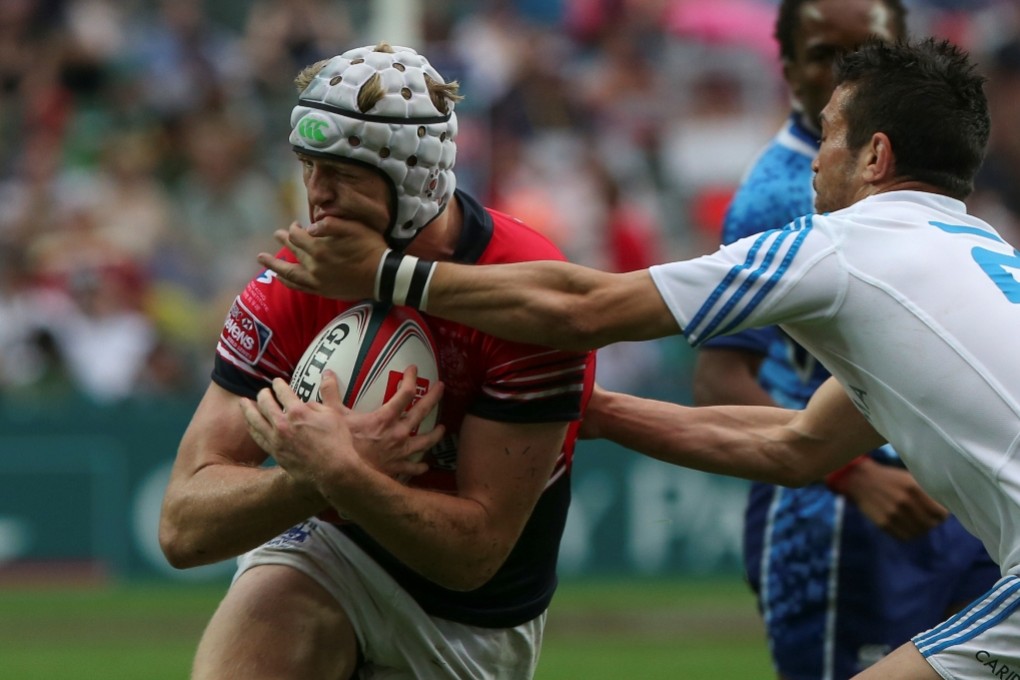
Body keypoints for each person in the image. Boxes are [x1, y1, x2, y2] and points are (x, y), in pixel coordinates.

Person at [261, 37, 1020, 679]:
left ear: (876, 156)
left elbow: (589, 310)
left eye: (828, 135)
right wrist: (596, 413)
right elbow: (794, 446)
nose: (814, 160)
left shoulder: (847, 247)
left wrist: (387, 276)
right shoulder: (978, 256)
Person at [158, 43, 595, 680]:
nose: (316, 195)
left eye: (344, 173)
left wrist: (345, 472)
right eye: (308, 166)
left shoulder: (524, 288)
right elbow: (182, 526)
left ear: (418, 177)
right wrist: (312, 477)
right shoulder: (289, 284)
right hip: (331, 551)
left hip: (473, 624)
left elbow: (474, 553)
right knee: (275, 599)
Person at [691, 2, 999, 677]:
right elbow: (721, 375)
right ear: (791, 67)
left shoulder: (920, 162)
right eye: (827, 54)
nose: (845, 72)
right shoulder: (779, 194)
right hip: (836, 521)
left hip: (957, 501)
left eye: (867, 50)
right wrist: (852, 476)